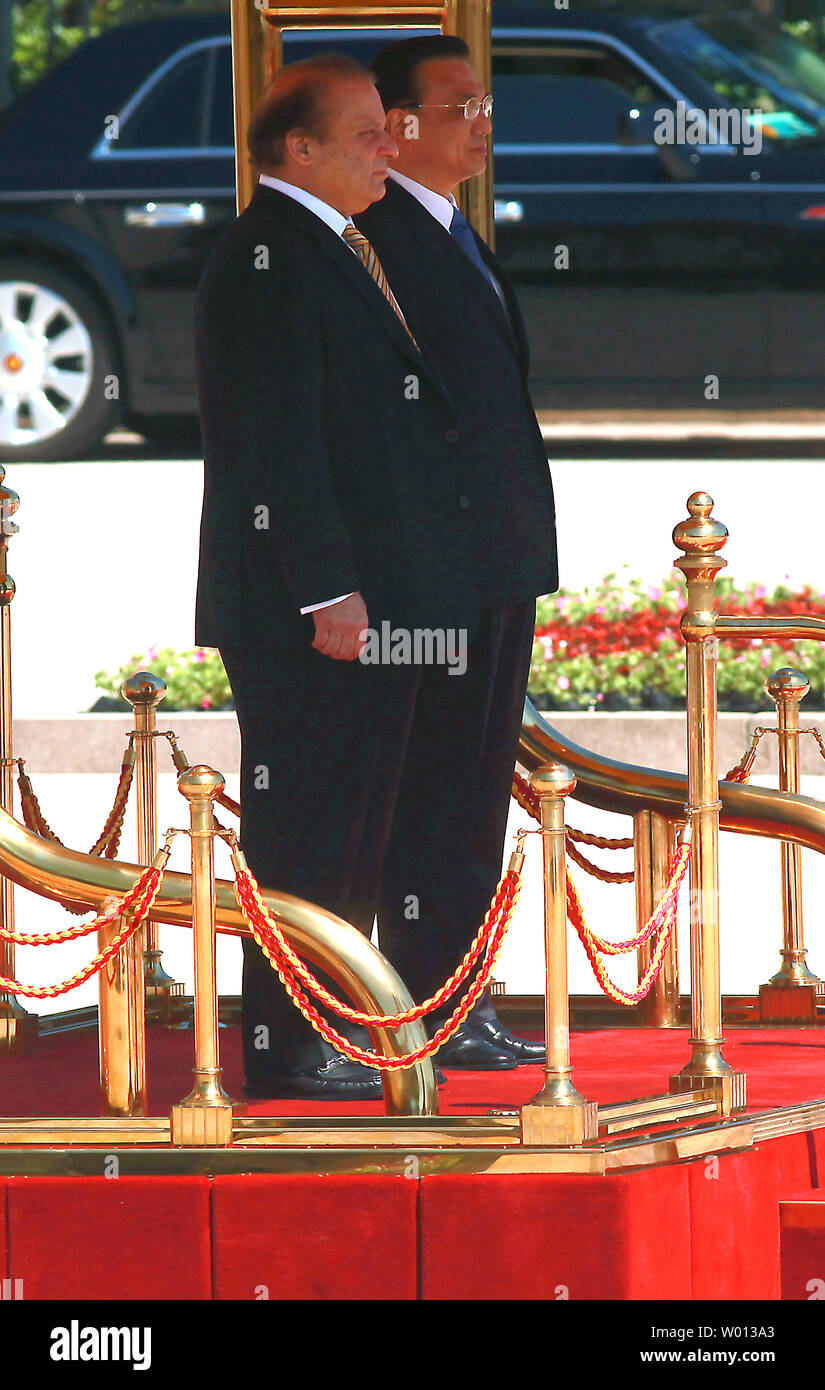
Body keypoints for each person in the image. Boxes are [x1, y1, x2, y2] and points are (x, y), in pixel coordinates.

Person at [194, 51, 555, 1099]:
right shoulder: (268, 254)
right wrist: (325, 588)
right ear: (298, 149)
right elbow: (276, 446)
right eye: (363, 132)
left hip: (388, 588)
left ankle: (341, 1026)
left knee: (360, 820)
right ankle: (287, 1041)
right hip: (309, 609)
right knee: (310, 826)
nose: (381, 148)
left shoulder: (334, 244)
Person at [356, 34, 559, 1066]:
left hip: (493, 556)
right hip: (438, 566)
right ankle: (433, 1001)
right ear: (395, 128)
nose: (480, 124)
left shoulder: (451, 228)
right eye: (459, 107)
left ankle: (462, 995)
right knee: (437, 791)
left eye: (483, 105)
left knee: (474, 788)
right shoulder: (376, 236)